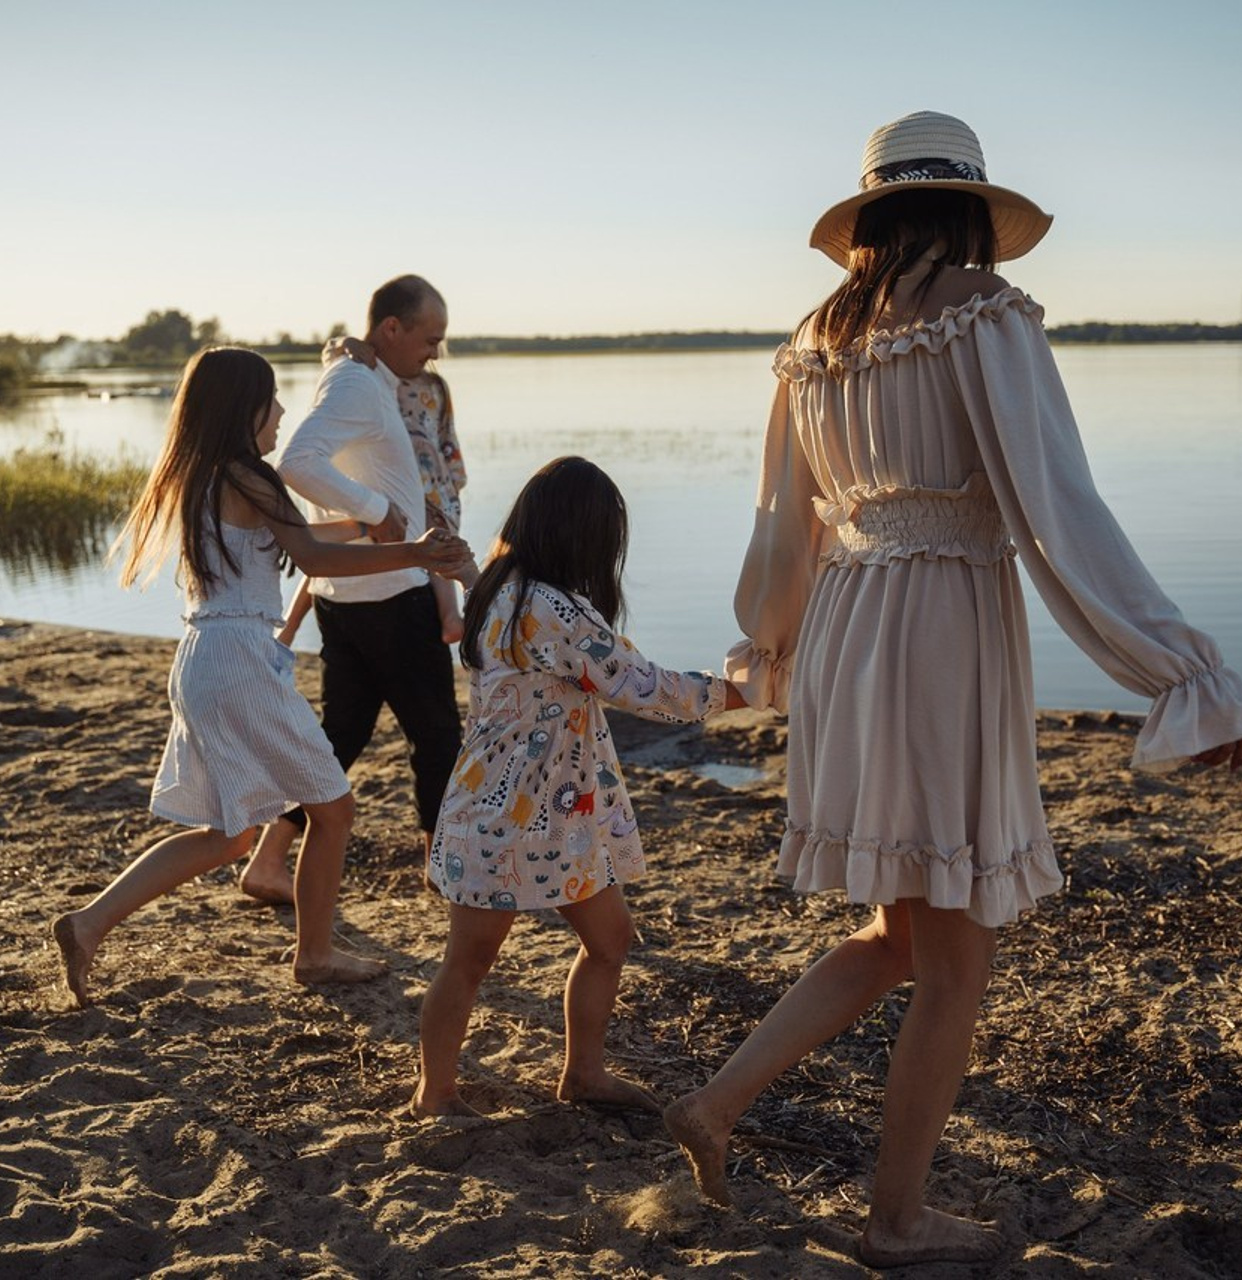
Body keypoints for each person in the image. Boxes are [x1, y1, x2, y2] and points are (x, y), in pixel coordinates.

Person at [663, 111, 1242, 1267]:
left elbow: (781, 531)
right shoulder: (984, 318)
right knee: (952, 957)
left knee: (897, 931)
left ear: (869, 220)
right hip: (939, 629)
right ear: (970, 215)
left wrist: (768, 657)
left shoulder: (809, 344)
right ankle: (892, 1219)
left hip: (847, 627)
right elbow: (1059, 514)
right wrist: (1183, 676)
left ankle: (714, 1104)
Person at [51, 346, 474, 1007]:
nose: (282, 412)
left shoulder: (207, 476)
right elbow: (308, 554)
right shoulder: (253, 476)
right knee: (334, 811)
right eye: (274, 400)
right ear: (245, 407)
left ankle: (87, 924)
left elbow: (299, 538)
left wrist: (371, 527)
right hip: (241, 663)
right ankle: (315, 954)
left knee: (232, 833)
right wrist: (414, 553)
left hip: (205, 659)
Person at [411, 456, 747, 1118]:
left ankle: (584, 1074)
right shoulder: (551, 606)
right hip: (509, 818)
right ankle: (435, 1093)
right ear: (580, 535)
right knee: (469, 961)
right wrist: (749, 691)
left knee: (609, 940)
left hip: (548, 814)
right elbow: (644, 687)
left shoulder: (501, 589)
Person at [239, 276, 464, 905]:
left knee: (341, 734)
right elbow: (297, 464)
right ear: (391, 329)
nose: (435, 354)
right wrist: (374, 511)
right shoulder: (355, 382)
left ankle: (267, 860)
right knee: (438, 735)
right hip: (388, 594)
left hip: (353, 593)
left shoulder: (361, 375)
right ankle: (442, 869)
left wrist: (341, 348)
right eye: (430, 338)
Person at [277, 332, 466, 647]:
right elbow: (447, 441)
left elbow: (445, 433)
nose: (432, 353)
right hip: (413, 479)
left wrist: (451, 480)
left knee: (432, 553)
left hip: (418, 481)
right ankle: (450, 614)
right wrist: (345, 344)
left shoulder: (423, 384)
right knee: (428, 554)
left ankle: (450, 615)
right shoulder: (378, 375)